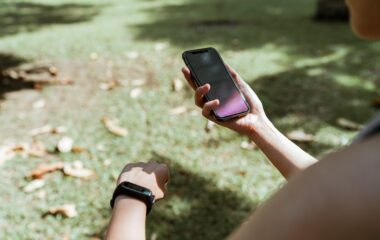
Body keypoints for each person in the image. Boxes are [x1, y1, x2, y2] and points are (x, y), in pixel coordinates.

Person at [105, 0, 380, 239]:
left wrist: (133, 195)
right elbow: (335, 191)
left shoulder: (362, 173)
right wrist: (257, 125)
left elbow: (345, 191)